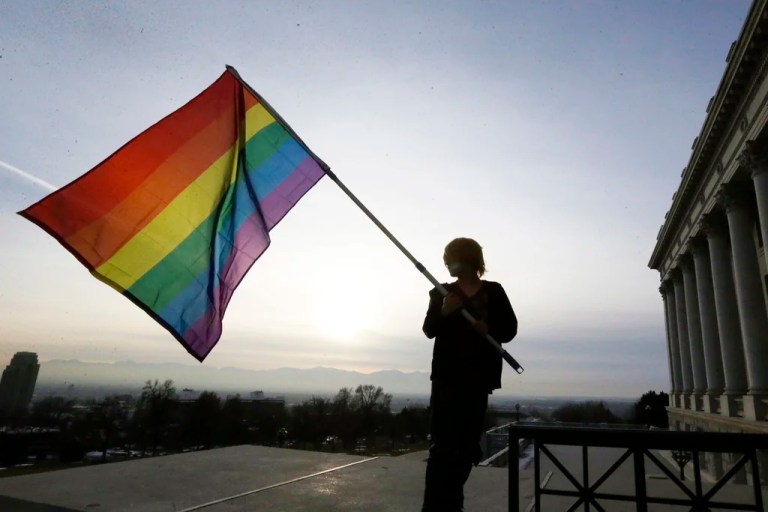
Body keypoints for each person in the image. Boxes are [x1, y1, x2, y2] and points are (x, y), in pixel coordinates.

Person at [421, 237, 518, 512]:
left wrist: (488, 326)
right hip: (446, 379)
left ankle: (451, 504)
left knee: (466, 447)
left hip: (478, 380)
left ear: (467, 259)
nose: (446, 263)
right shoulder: (440, 292)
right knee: (442, 447)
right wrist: (444, 311)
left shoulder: (494, 292)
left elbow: (509, 329)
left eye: (450, 257)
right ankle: (435, 508)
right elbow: (429, 329)